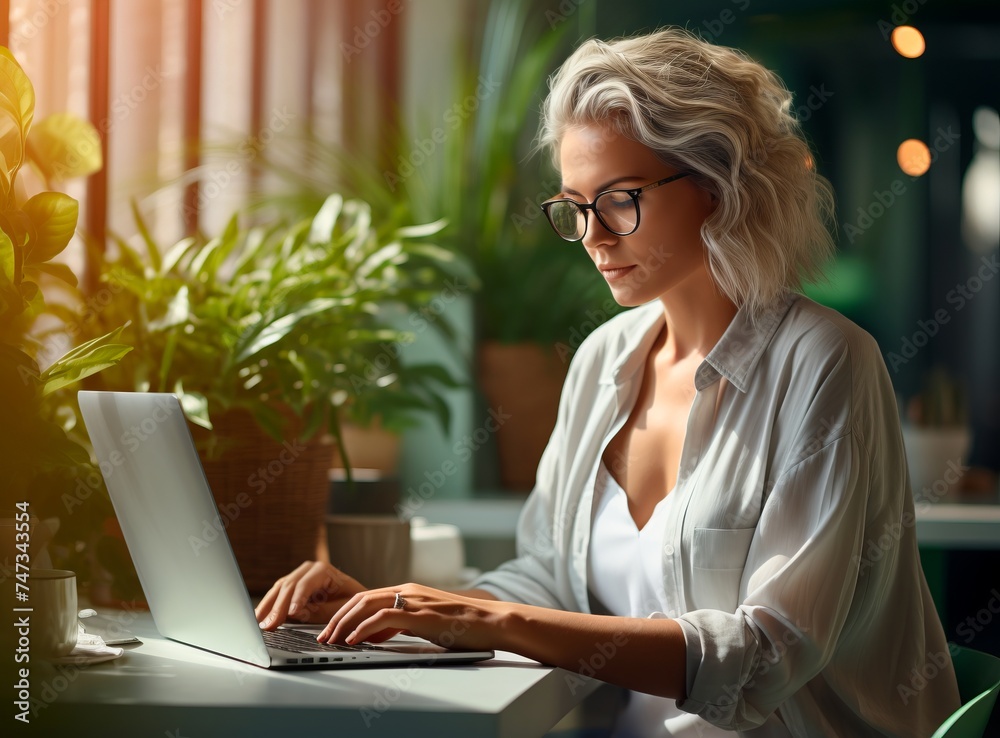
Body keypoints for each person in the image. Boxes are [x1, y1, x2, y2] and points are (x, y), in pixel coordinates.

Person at [255, 27, 960, 737]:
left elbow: (766, 654)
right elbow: (545, 583)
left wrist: (484, 619)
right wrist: (399, 612)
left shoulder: (826, 362)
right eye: (575, 204)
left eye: (621, 198)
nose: (594, 234)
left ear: (721, 185)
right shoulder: (603, 359)